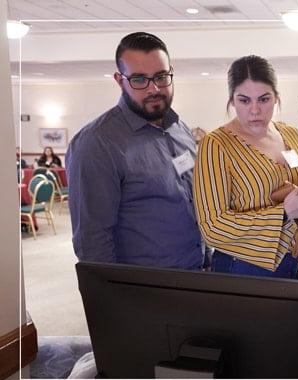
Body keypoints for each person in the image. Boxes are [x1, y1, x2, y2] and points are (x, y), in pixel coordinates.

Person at [66, 32, 204, 269]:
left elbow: (194, 202)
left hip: (196, 275)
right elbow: (92, 241)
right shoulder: (96, 144)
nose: (154, 89)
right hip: (143, 291)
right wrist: (113, 301)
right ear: (120, 80)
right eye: (139, 80)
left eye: (161, 77)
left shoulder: (180, 129)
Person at [193, 55, 298, 281]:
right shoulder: (216, 145)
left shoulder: (291, 135)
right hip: (246, 268)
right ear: (232, 101)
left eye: (264, 99)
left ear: (276, 98)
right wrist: (284, 212)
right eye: (244, 100)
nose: (255, 110)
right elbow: (212, 226)